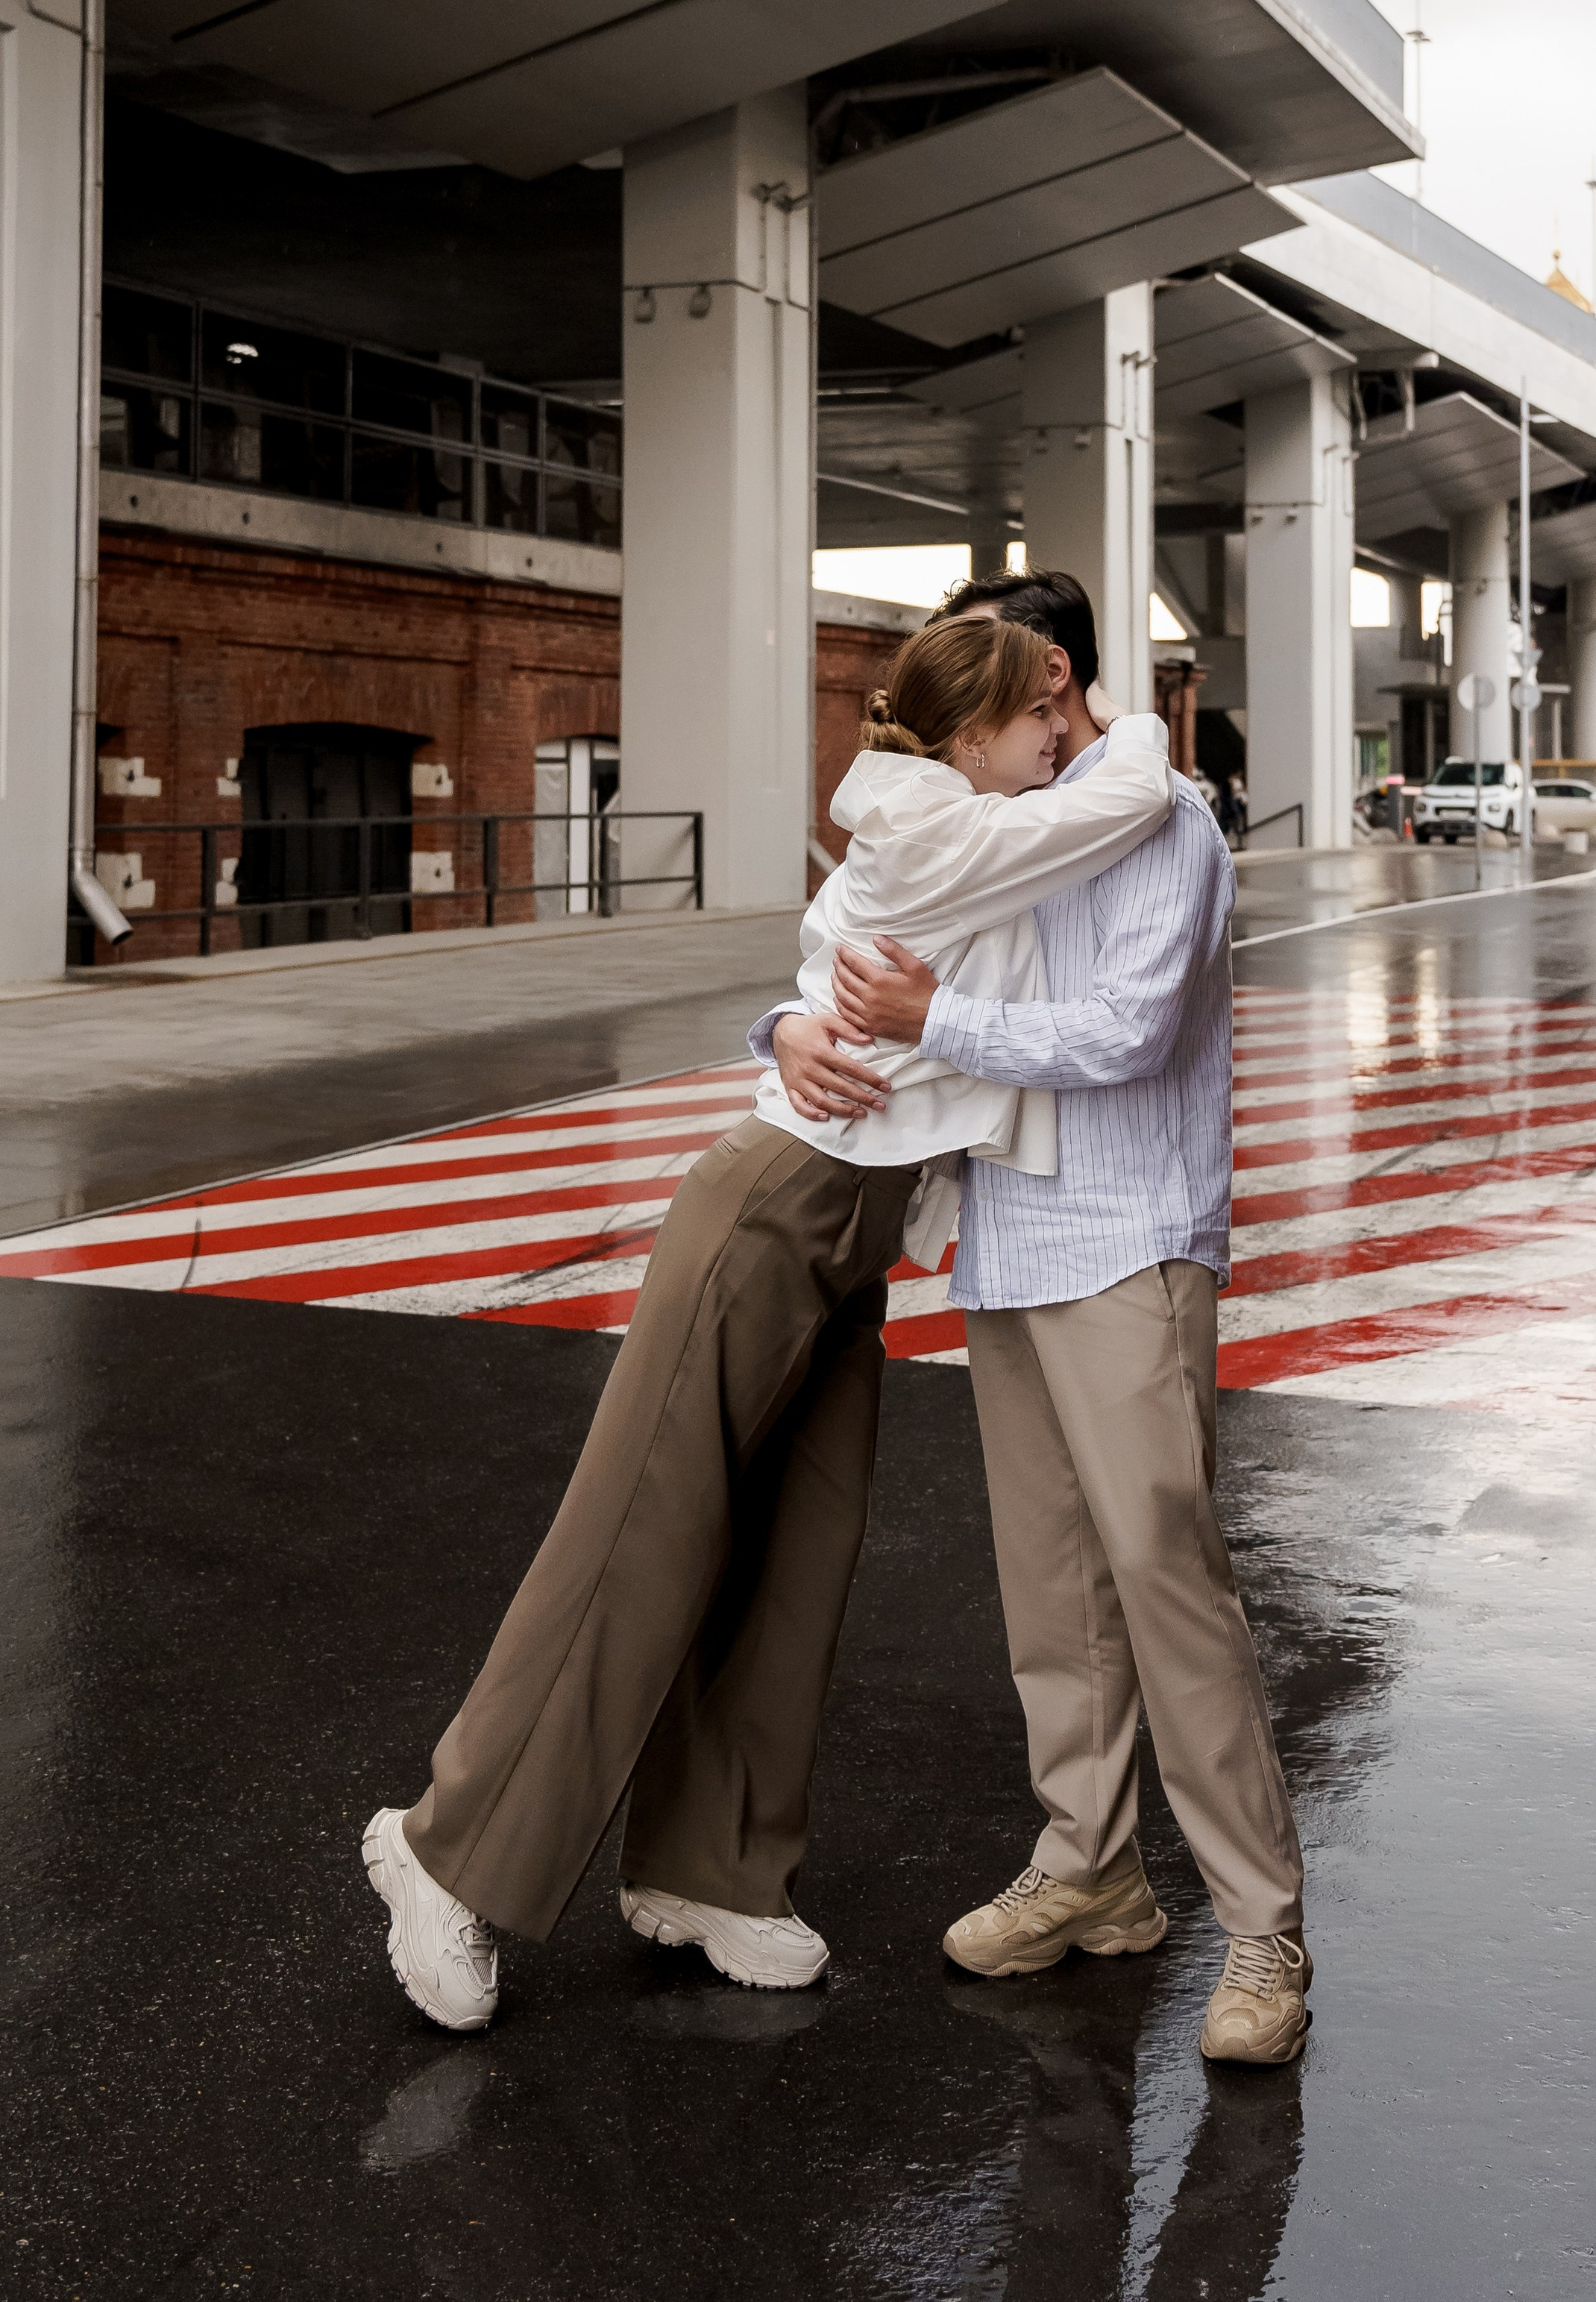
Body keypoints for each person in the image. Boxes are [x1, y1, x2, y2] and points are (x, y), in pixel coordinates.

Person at [362, 614, 1174, 2031]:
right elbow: (1138, 789)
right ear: (976, 729)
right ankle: (447, 1854)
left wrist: (780, 1023)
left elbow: (835, 958)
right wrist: (1126, 716)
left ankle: (713, 1869)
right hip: (776, 1205)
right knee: (641, 1529)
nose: (1066, 738)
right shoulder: (948, 819)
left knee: (798, 1551)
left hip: (850, 1231)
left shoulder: (967, 818)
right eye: (1043, 717)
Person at [767, 568, 1310, 2069]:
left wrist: (923, 1022)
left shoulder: (1166, 825)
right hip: (1005, 1246)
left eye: (985, 700)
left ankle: (1262, 1933)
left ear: (1052, 684)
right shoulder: (987, 826)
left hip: (1129, 1241)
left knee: (1163, 1584)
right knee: (1051, 1595)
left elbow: (1124, 1032)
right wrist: (796, 1025)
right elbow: (843, 942)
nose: (960, 745)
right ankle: (1091, 1872)